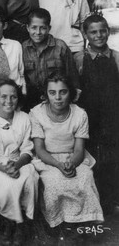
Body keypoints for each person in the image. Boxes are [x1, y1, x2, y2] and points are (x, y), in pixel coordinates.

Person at [30, 73, 103, 228]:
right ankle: (58, 223)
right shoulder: (37, 113)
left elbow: (79, 149)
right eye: (52, 93)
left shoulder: (79, 114)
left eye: (63, 92)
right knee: (53, 182)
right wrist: (58, 165)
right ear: (46, 95)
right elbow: (40, 149)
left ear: (71, 93)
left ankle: (82, 222)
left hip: (74, 157)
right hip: (48, 159)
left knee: (85, 177)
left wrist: (71, 164)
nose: (58, 97)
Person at [0, 80, 38, 244]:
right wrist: (5, 169)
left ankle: (24, 223)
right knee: (6, 185)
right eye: (3, 96)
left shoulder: (24, 118)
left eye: (13, 97)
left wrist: (17, 165)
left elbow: (27, 149)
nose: (8, 101)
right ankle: (9, 221)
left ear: (18, 99)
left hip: (20, 161)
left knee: (31, 179)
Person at [75, 14, 119, 214]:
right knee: (91, 158)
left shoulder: (117, 57)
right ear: (85, 34)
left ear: (108, 32)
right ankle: (92, 204)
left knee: (112, 158)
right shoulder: (78, 59)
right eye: (93, 32)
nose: (99, 35)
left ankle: (111, 202)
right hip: (89, 117)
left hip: (113, 116)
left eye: (102, 31)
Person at [22, 8, 79, 109]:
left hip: (57, 100)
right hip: (32, 101)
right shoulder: (23, 48)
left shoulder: (60, 47)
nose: (38, 32)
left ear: (49, 28)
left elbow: (72, 75)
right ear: (27, 28)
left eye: (43, 28)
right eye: (34, 28)